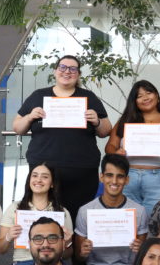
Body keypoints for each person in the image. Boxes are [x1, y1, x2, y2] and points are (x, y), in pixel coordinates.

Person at [12, 55, 112, 221]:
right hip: (43, 171)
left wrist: (97, 120)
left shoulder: (89, 97)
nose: (67, 71)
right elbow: (17, 128)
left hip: (82, 172)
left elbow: (106, 130)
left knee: (78, 219)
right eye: (63, 67)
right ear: (55, 71)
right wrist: (29, 117)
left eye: (73, 69)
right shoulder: (39, 95)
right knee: (43, 218)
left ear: (78, 74)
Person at [105, 80, 160, 216]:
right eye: (139, 96)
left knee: (159, 223)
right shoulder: (125, 121)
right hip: (128, 178)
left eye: (148, 93)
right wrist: (116, 153)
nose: (145, 98)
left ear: (156, 96)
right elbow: (110, 146)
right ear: (134, 101)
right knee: (127, 223)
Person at [73, 154, 149, 265]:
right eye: (109, 175)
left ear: (127, 180)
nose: (114, 181)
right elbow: (79, 257)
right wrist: (83, 252)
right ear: (101, 177)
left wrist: (140, 250)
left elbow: (142, 258)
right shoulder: (85, 211)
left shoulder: (139, 211)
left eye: (120, 176)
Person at [0, 162, 73, 265]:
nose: (38, 180)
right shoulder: (15, 208)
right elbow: (0, 249)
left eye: (45, 177)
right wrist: (8, 236)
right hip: (22, 263)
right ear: (29, 181)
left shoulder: (62, 212)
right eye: (35, 175)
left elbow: (68, 254)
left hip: (52, 263)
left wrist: (67, 243)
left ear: (52, 183)